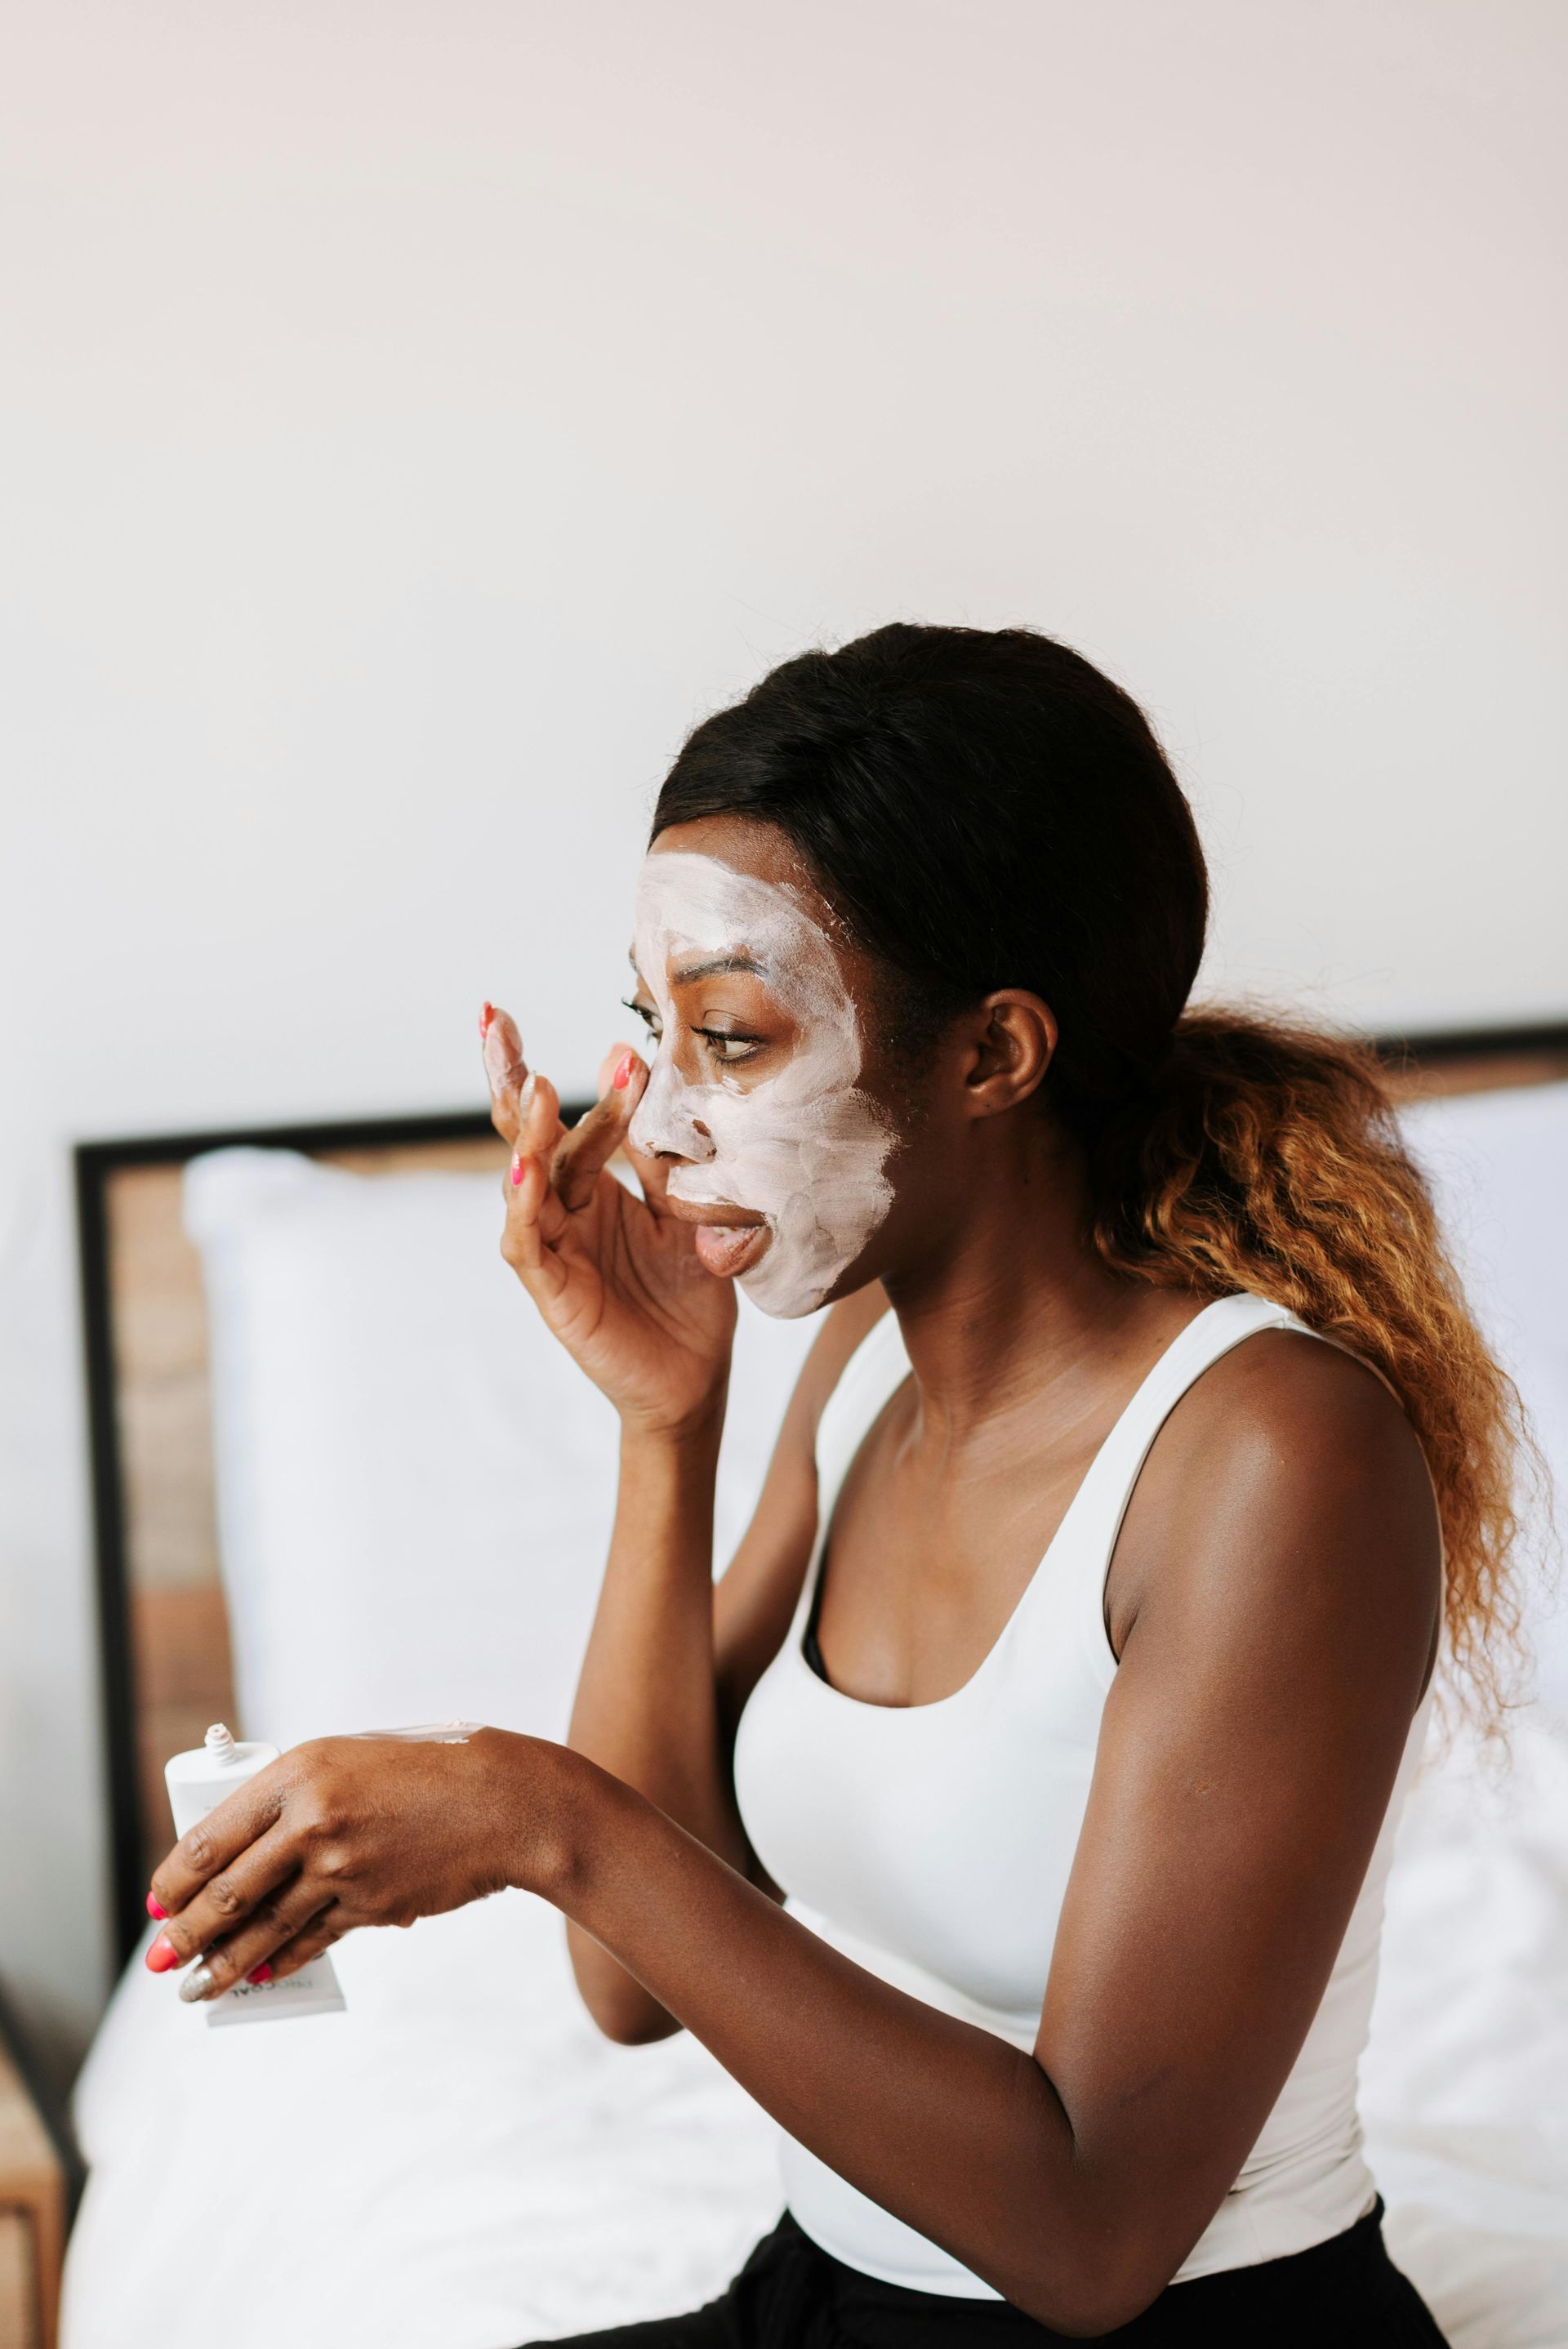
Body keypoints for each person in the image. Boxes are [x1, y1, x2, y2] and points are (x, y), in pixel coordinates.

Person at [145, 626, 1528, 2342]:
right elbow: (633, 1982)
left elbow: (1092, 2237)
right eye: (652, 1029)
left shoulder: (1271, 1456)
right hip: (822, 2294)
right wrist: (667, 1427)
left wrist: (530, 1809)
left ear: (993, 1056)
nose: (652, 1126)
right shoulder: (859, 1363)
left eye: (733, 1038)